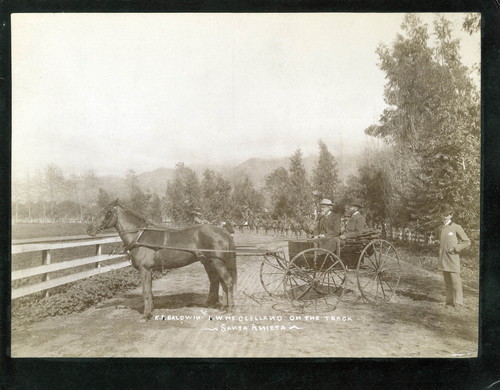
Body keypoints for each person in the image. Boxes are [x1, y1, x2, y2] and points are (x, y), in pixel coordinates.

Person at [438, 203, 470, 310]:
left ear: (451, 215)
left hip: (453, 260)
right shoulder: (442, 228)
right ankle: (449, 302)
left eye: (446, 215)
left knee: (455, 282)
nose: (444, 217)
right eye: (442, 214)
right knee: (447, 282)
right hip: (444, 259)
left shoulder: (456, 227)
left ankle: (458, 304)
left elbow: (466, 241)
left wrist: (455, 249)